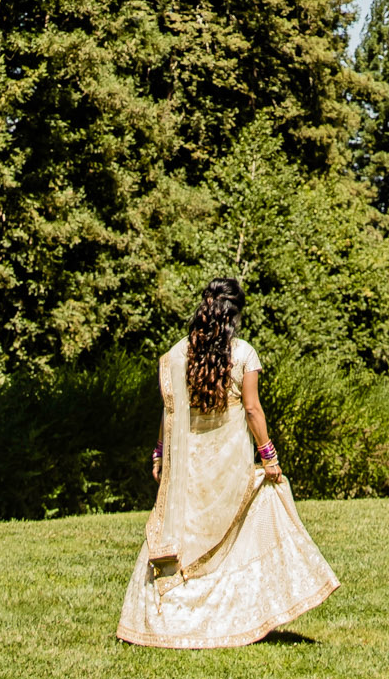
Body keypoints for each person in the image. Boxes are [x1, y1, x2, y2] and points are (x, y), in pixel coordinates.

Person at [116, 277, 339, 648]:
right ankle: (227, 619)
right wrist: (269, 456)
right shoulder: (243, 355)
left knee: (184, 537)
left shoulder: (176, 355)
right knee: (232, 534)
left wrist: (158, 451)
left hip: (185, 467)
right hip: (227, 466)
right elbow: (252, 409)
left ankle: (164, 621)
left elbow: (169, 410)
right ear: (235, 315)